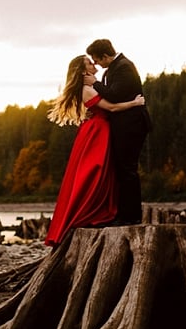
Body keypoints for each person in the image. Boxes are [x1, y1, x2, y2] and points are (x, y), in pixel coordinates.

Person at [45, 55, 145, 247]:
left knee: (103, 173)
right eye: (90, 63)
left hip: (99, 131)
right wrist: (135, 103)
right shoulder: (87, 90)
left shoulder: (92, 87)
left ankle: (104, 211)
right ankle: (90, 212)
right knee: (94, 173)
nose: (94, 64)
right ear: (84, 71)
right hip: (97, 133)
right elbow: (112, 107)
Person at [84, 39, 153, 226]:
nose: (96, 64)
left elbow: (114, 95)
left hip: (131, 125)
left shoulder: (123, 67)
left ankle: (131, 217)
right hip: (124, 125)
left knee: (127, 170)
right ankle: (123, 214)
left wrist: (95, 83)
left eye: (97, 60)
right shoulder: (116, 67)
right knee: (122, 170)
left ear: (105, 56)